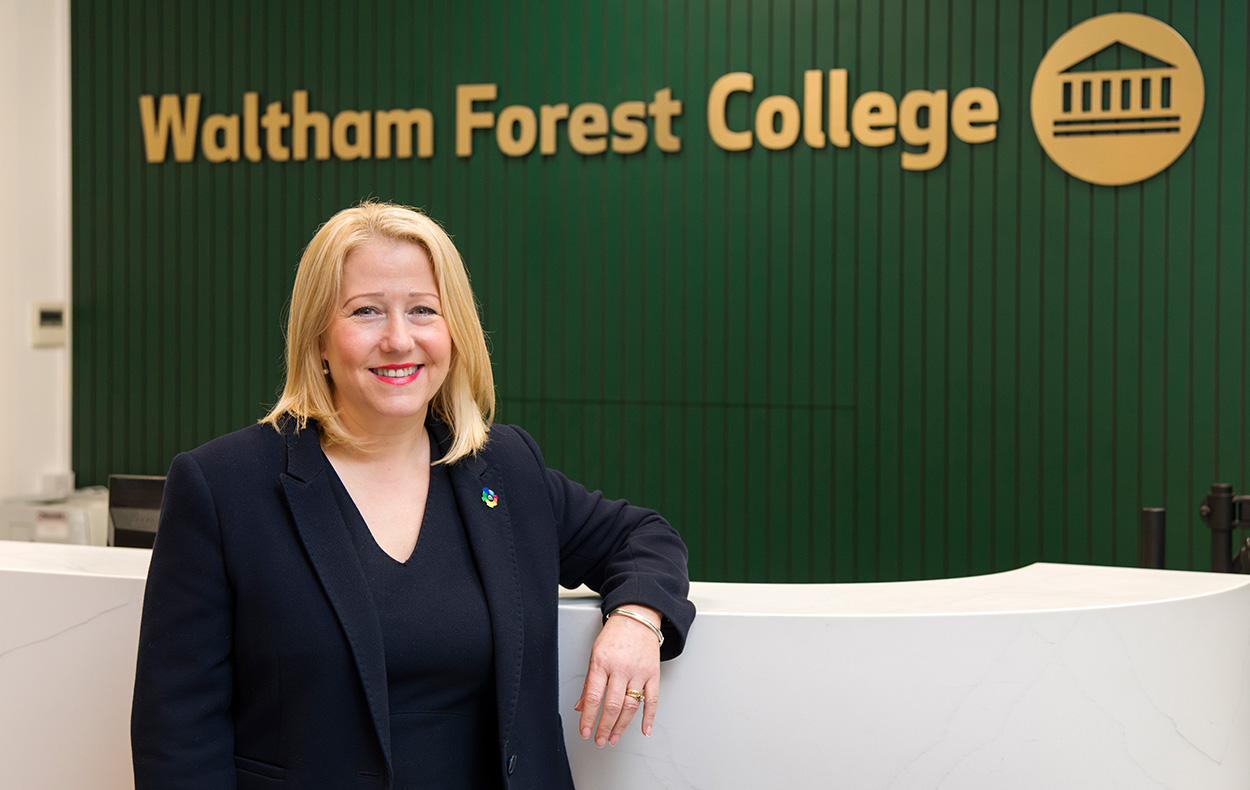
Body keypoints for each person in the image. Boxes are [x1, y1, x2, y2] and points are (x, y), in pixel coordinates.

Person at [131, 201, 696, 790]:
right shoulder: (223, 486)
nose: (399, 340)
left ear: (454, 332)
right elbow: (177, 737)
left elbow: (644, 536)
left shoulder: (503, 468)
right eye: (367, 311)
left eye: (423, 310)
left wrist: (636, 619)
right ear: (319, 337)